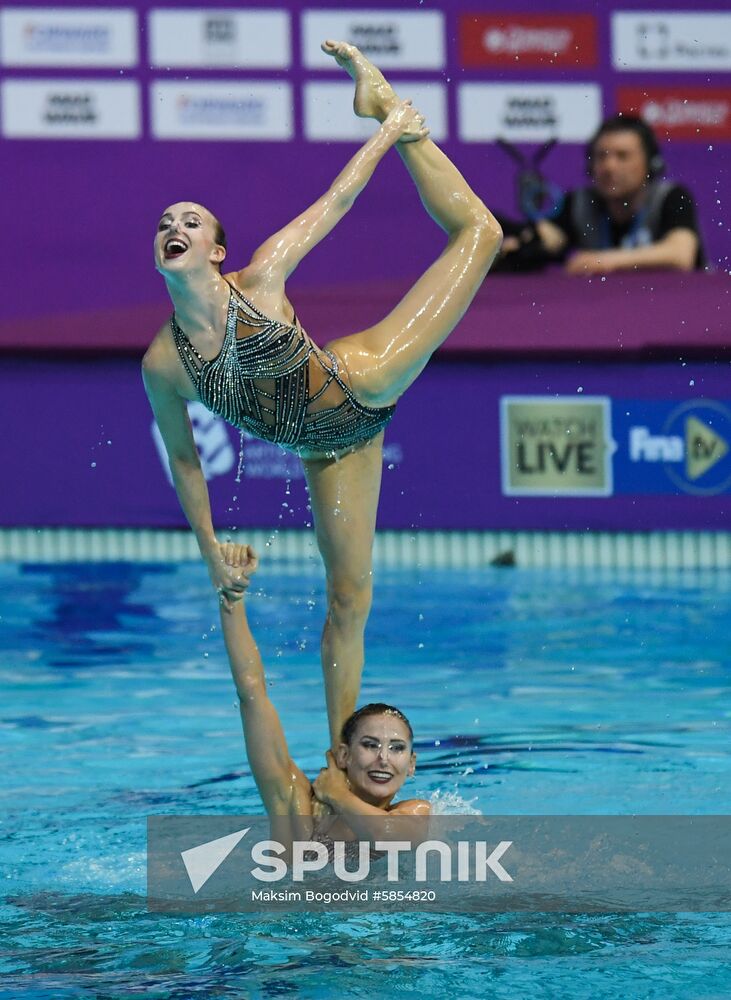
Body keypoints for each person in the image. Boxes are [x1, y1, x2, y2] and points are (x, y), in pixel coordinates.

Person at [142, 40, 503, 747]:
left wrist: (389, 131)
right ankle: (343, 757)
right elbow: (184, 463)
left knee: (481, 232)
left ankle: (388, 106)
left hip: (362, 377)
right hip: (334, 449)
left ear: (217, 250)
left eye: (190, 221)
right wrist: (211, 546)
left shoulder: (263, 276)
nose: (173, 228)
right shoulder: (163, 364)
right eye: (163, 222)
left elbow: (337, 199)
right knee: (346, 599)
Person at [218, 542, 429, 842]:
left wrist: (337, 795)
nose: (384, 758)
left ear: (411, 765)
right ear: (344, 754)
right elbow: (251, 693)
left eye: (397, 748)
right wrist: (231, 599)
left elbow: (391, 838)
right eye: (370, 745)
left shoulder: (416, 813)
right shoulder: (296, 804)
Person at [501, 115, 705, 274]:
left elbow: (680, 255)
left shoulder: (671, 197)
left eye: (622, 156)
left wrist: (605, 260)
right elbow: (549, 236)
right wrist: (523, 243)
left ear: (651, 164)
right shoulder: (580, 202)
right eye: (601, 156)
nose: (609, 167)